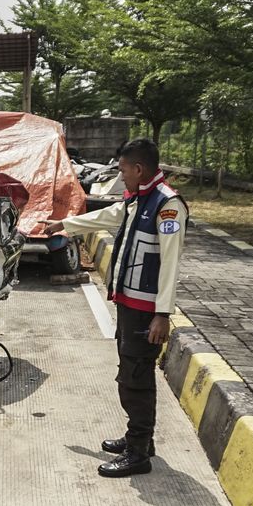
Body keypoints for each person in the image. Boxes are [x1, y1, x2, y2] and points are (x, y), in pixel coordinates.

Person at [42, 138, 188, 477]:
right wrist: (63, 224)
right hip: (128, 303)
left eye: (123, 170)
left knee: (135, 378)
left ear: (138, 169)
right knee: (130, 371)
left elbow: (170, 264)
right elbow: (107, 216)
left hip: (145, 308)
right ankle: (140, 437)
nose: (120, 176)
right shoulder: (138, 199)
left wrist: (162, 315)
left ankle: (138, 453)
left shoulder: (167, 206)